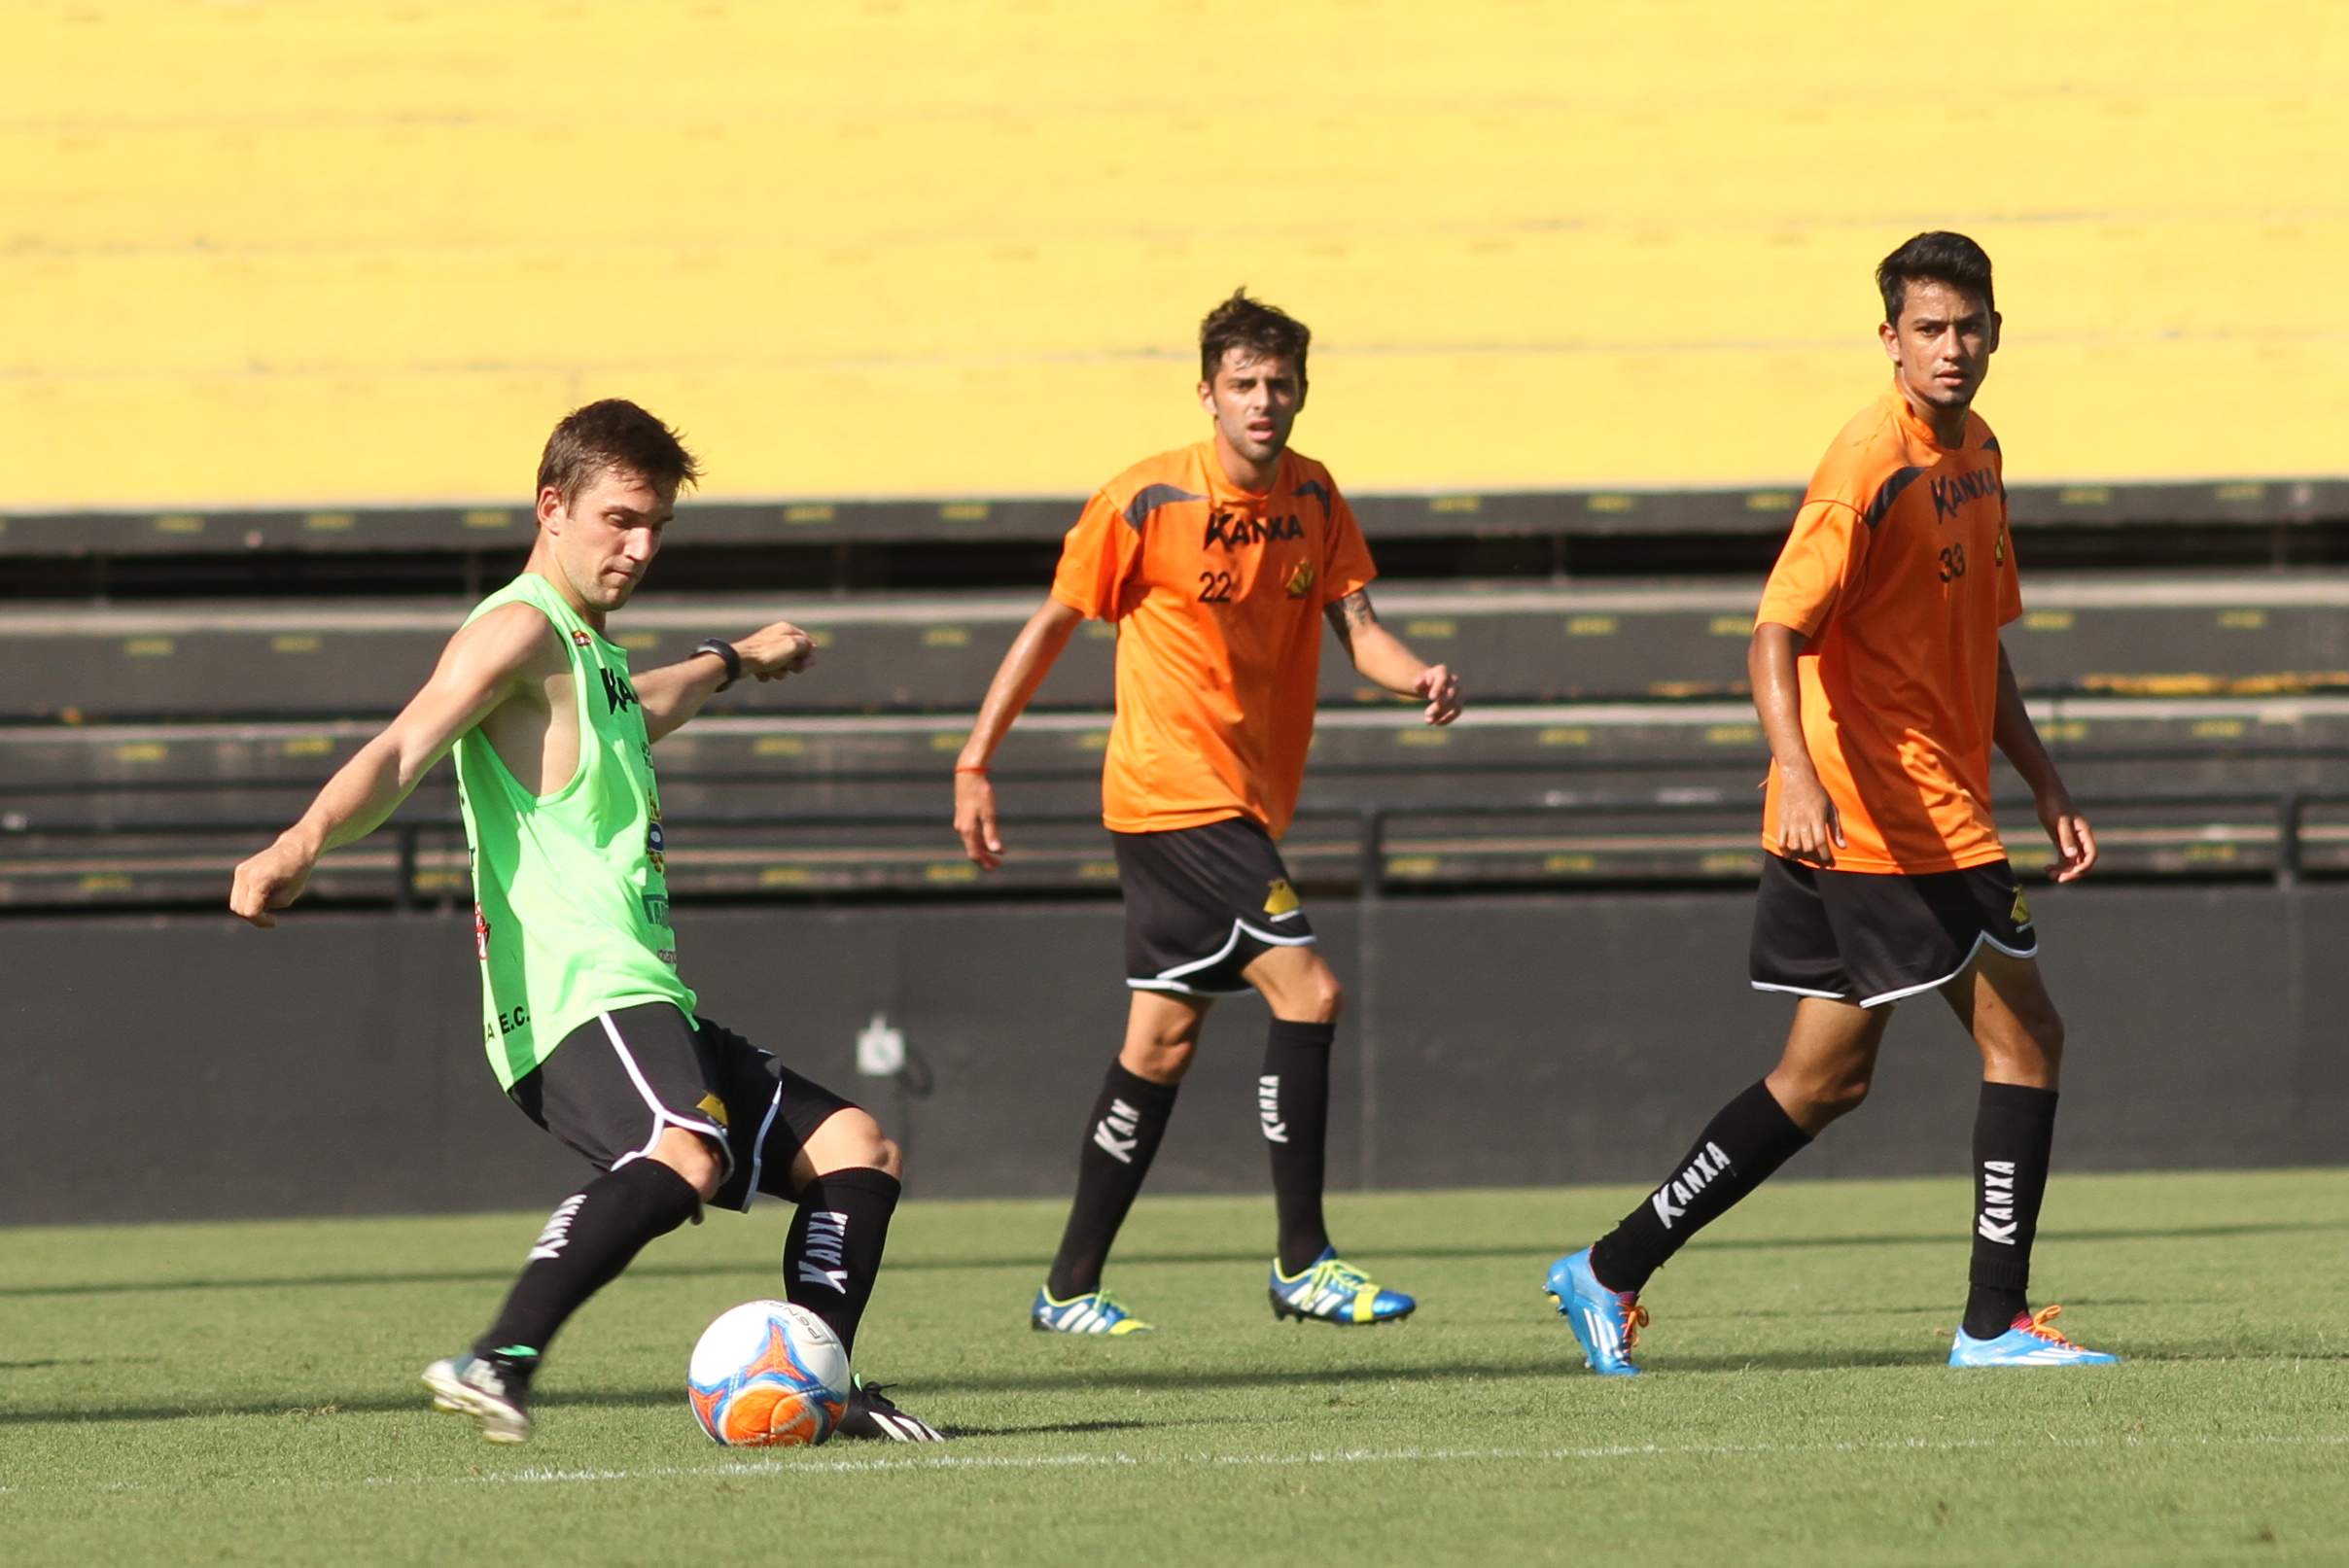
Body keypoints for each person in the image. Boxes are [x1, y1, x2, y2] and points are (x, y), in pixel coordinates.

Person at [230, 399, 948, 1441]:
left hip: (639, 985)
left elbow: (637, 705)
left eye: (655, 523)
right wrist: (298, 841)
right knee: (679, 1146)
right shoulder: (517, 625)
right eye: (619, 518)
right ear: (551, 506)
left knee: (857, 1149)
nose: (640, 545)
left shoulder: (586, 655)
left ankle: (816, 1379)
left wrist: (735, 657)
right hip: (575, 987)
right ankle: (499, 1353)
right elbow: (403, 746)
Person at [1545, 232, 2119, 1374]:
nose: (1949, 347)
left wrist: (2045, 781)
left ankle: (1608, 1266)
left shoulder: (1981, 453)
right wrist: (1796, 771)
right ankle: (1992, 1322)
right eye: (1928, 328)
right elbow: (1774, 630)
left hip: (1925, 804)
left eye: (1967, 326)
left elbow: (1977, 646)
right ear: (1889, 340)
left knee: (1821, 1079)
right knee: (2027, 1038)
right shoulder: (1865, 462)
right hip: (1887, 814)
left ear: (1997, 331)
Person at [954, 290, 1463, 1335]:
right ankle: (1302, 1260)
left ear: (1302, 392)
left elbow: (1358, 627)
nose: (1263, 400)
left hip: (1240, 801)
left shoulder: (1315, 498)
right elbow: (1051, 624)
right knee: (1309, 991)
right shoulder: (1143, 501)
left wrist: (1416, 677)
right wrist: (975, 760)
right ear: (1207, 394)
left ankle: (1066, 1288)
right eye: (1243, 384)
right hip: (1173, 794)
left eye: (1280, 383)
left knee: (1159, 1042)